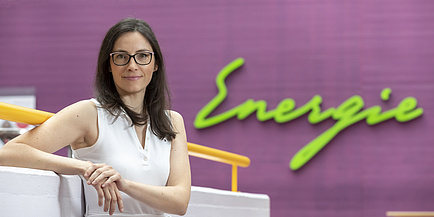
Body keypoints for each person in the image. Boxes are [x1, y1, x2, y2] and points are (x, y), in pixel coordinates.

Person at [0, 18, 191, 217]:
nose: (132, 65)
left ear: (156, 64)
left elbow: (179, 203)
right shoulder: (89, 113)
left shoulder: (172, 121)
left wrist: (124, 184)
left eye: (142, 56)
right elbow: (8, 153)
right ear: (109, 64)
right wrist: (84, 167)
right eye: (121, 57)